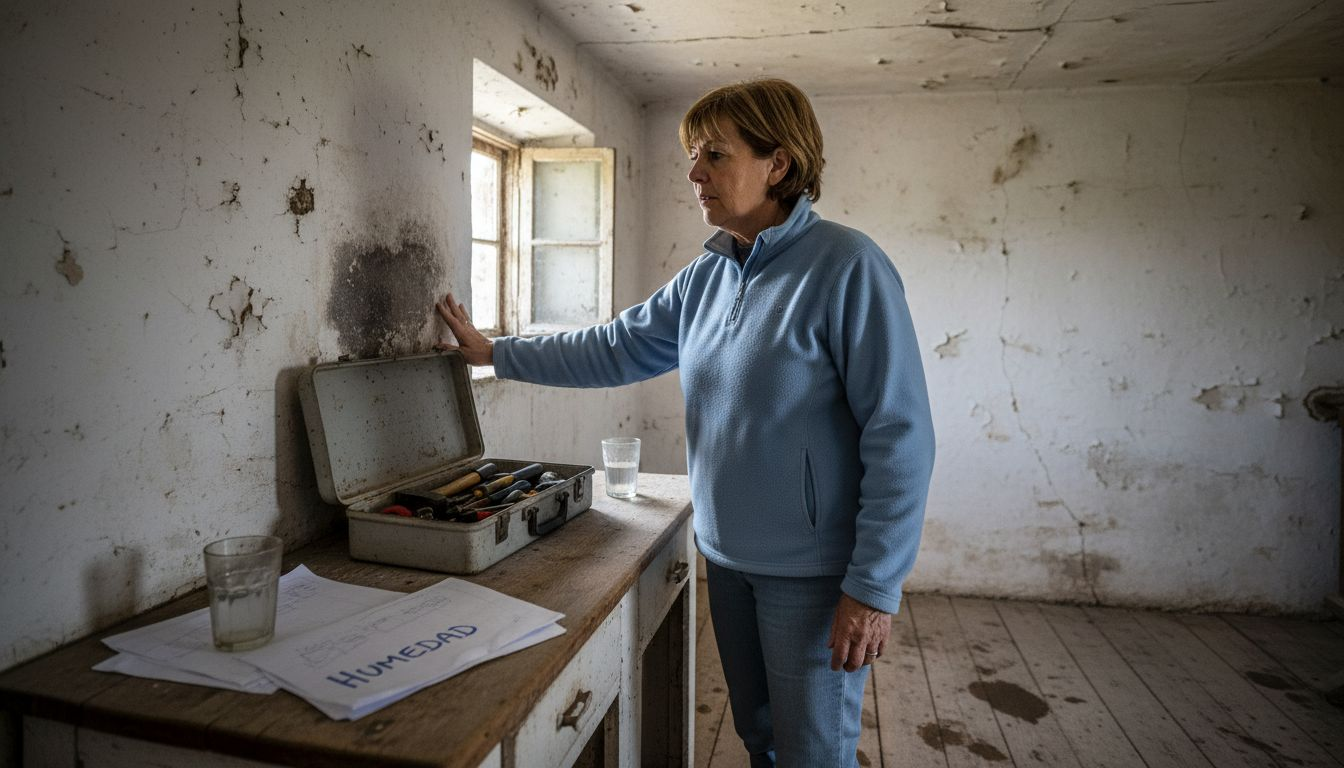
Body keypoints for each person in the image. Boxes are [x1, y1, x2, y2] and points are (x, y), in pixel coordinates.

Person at [434, 78, 935, 768]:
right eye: (693, 157)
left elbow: (901, 433)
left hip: (814, 576)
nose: (695, 174)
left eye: (715, 156)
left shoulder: (848, 267)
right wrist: (498, 353)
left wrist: (873, 586)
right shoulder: (707, 275)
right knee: (759, 737)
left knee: (814, 753)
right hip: (727, 558)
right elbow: (614, 347)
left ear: (778, 164)